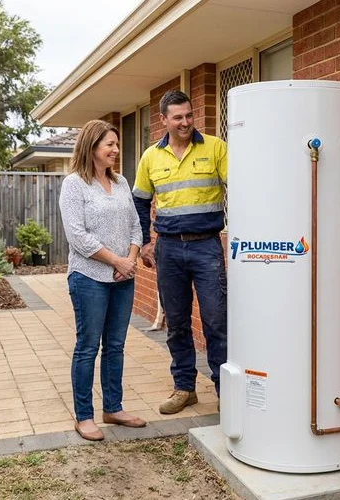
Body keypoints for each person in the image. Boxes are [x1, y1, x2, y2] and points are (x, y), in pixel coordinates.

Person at [133, 90, 227, 414]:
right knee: (176, 322)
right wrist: (144, 241)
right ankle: (184, 387)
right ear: (164, 120)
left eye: (189, 115)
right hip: (169, 249)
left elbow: (241, 186)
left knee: (216, 319)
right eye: (178, 117)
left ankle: (225, 391)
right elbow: (140, 202)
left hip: (207, 246)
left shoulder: (215, 147)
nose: (185, 122)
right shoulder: (150, 157)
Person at [59, 119, 147, 441]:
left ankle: (114, 407)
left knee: (115, 345)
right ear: (92, 147)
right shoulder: (74, 185)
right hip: (89, 278)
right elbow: (77, 237)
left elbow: (136, 227)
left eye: (116, 144)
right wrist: (117, 260)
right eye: (109, 144)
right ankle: (84, 416)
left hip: (123, 277)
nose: (115, 150)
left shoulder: (122, 182)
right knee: (87, 347)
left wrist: (131, 261)